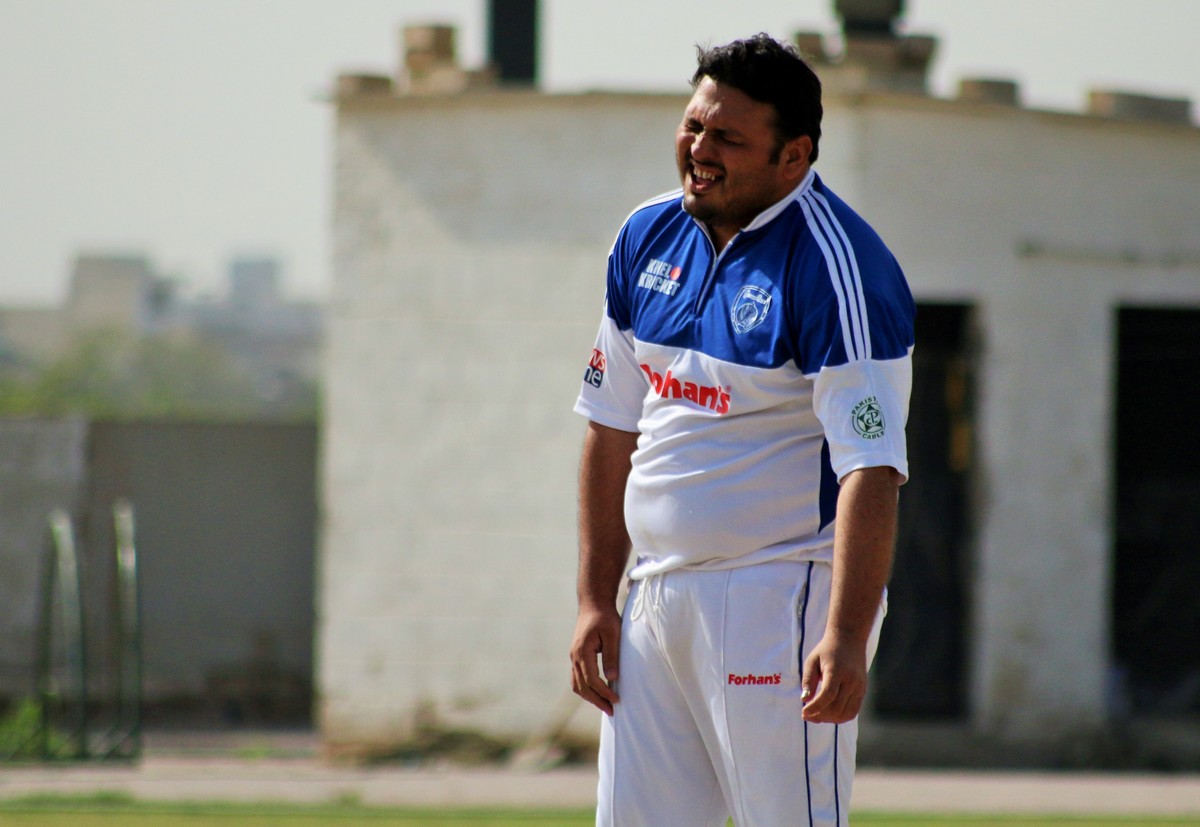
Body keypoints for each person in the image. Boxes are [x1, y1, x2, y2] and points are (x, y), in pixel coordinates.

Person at [569, 33, 915, 827]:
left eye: (727, 137)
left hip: (776, 594)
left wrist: (845, 633)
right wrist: (594, 598)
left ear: (793, 157)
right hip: (653, 594)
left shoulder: (837, 266)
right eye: (694, 126)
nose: (699, 150)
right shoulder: (645, 235)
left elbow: (871, 467)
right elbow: (610, 424)